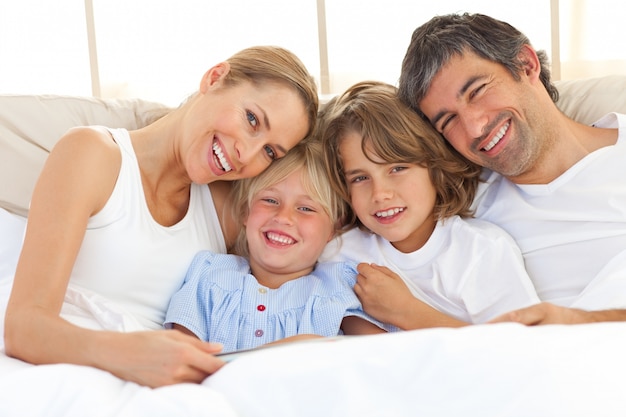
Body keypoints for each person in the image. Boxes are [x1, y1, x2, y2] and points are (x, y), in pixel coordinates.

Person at [3, 45, 319, 388]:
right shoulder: (94, 155)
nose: (247, 154)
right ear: (215, 78)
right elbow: (23, 327)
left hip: (159, 391)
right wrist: (128, 354)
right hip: (63, 374)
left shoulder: (230, 209)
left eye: (270, 152)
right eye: (252, 119)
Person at [398, 12, 626, 325]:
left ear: (526, 65)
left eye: (477, 91)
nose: (475, 127)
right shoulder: (462, 206)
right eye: (448, 121)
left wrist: (583, 322)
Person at [319, 81, 539, 329]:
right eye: (360, 178)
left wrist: (408, 312)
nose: (380, 194)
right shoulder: (338, 253)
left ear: (434, 167)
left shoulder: (481, 252)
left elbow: (520, 350)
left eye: (397, 168)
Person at [165, 140, 388, 353]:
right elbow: (182, 360)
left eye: (306, 209)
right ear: (245, 212)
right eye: (270, 200)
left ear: (332, 229)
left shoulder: (337, 288)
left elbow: (386, 355)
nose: (283, 217)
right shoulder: (210, 274)